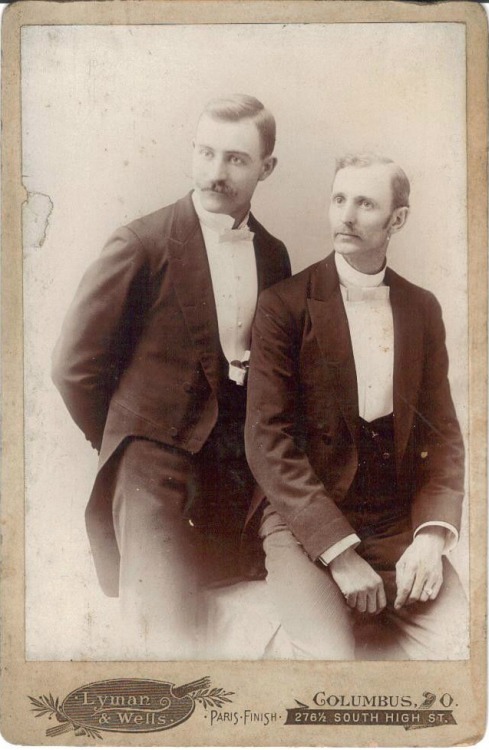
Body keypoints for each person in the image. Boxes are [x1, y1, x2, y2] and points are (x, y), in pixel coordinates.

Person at [52, 94, 291, 659]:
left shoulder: (273, 255)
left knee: (238, 628)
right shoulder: (142, 243)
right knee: (164, 639)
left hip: (230, 474)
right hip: (151, 471)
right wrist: (127, 442)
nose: (215, 172)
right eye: (205, 152)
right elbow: (73, 367)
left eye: (236, 159)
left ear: (266, 168)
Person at [245, 153, 467, 660]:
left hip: (394, 523)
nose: (345, 216)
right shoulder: (283, 305)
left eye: (365, 204)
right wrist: (340, 555)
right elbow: (268, 441)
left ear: (397, 219)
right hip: (303, 523)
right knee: (328, 660)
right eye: (339, 199)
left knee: (463, 647)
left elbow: (443, 438)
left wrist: (431, 537)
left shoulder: (421, 308)